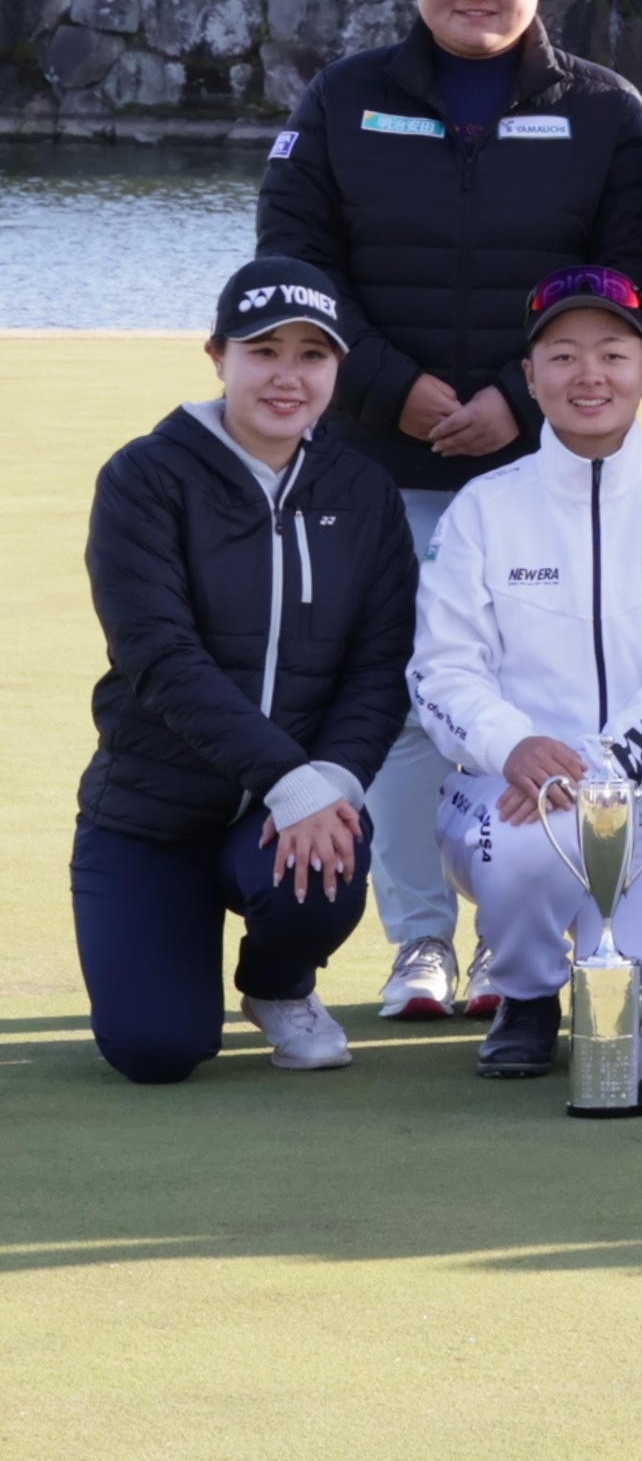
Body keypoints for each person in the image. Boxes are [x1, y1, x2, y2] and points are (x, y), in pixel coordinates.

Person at [257, 0, 642, 1024]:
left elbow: (638, 282)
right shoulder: (343, 100)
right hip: (380, 465)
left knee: (535, 698)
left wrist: (517, 404)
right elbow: (293, 267)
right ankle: (421, 942)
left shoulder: (605, 110)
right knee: (403, 705)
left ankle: (513, 941)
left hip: (549, 468)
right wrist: (397, 389)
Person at [73, 261, 418, 1084]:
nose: (287, 377)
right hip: (150, 814)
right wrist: (287, 779)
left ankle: (277, 983)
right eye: (264, 351)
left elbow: (381, 663)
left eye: (312, 355)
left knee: (322, 873)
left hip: (279, 816)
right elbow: (157, 655)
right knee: (156, 1051)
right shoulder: (145, 476)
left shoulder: (364, 490)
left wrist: (328, 782)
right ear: (217, 355)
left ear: (337, 369)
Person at [408, 268, 642, 1081]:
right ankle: (526, 990)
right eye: (562, 356)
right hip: (511, 804)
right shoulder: (483, 508)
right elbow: (439, 671)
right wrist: (514, 747)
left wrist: (596, 771)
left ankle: (598, 972)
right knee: (522, 847)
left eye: (612, 354)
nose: (589, 375)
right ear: (530, 378)